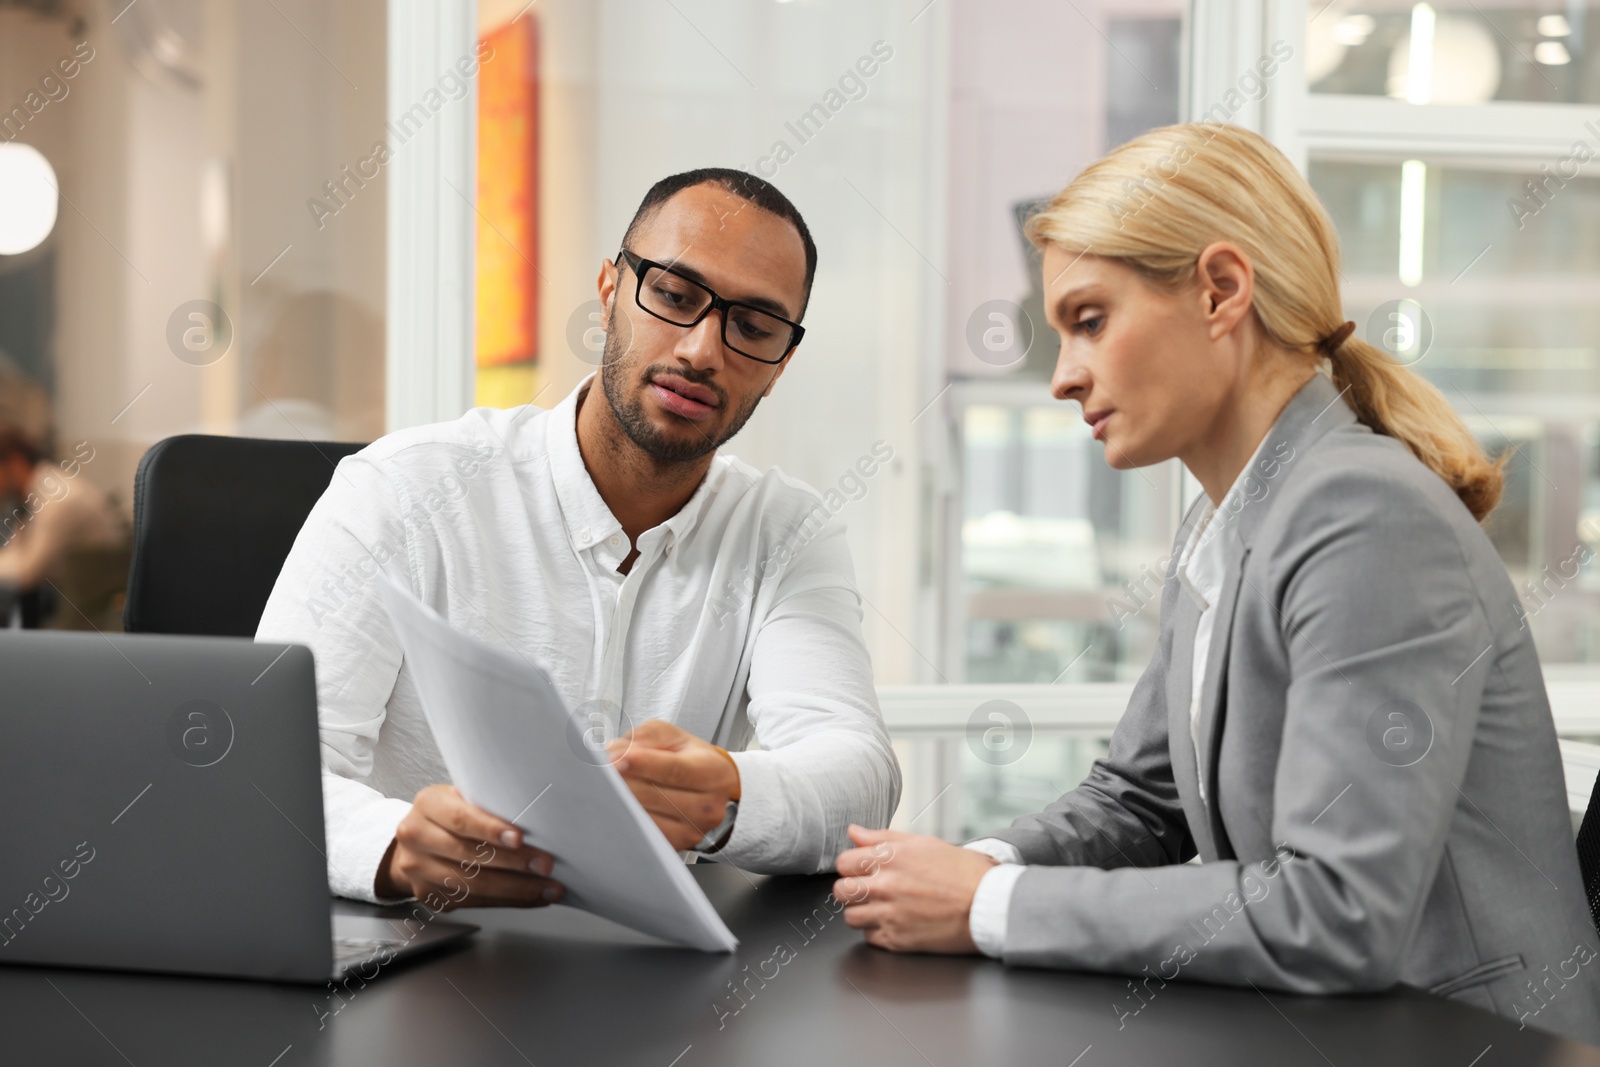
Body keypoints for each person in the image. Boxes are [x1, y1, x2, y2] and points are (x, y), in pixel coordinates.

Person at [832, 123, 1600, 1044]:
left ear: (1221, 291)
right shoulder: (1227, 518)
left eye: (1089, 320)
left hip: (1466, 1037)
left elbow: (1337, 909)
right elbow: (1140, 800)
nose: (1064, 378)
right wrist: (970, 865)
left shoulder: (1363, 512)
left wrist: (993, 903)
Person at [257, 169, 900, 910]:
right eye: (674, 296)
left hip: (657, 982)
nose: (700, 350)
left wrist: (728, 792)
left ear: (781, 363)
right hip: (422, 955)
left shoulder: (786, 530)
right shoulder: (404, 488)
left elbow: (857, 776)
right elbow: (275, 776)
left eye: (753, 327)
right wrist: (397, 844)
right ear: (609, 291)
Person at [0, 429, 123, 625]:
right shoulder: (34, 495)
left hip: (85, 616)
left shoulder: (57, 498)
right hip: (63, 597)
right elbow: (16, 555)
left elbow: (27, 573)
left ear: (14, 463)